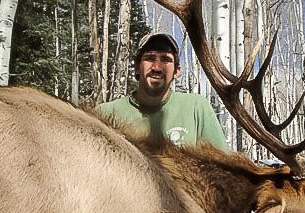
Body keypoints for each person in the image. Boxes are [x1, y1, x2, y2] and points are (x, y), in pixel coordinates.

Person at [97, 32, 228, 150]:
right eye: (150, 58)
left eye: (166, 60)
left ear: (177, 71)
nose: (157, 67)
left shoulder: (196, 108)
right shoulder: (104, 114)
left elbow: (222, 168)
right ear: (137, 67)